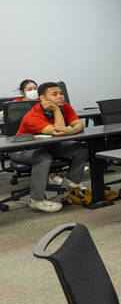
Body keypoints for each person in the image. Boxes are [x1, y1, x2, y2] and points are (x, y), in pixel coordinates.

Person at [13, 82, 88, 212]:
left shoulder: (66, 107)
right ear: (42, 98)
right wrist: (56, 110)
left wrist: (68, 130)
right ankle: (37, 200)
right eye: (55, 94)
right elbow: (58, 130)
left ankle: (70, 182)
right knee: (43, 158)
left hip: (47, 146)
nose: (60, 97)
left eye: (61, 93)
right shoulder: (32, 116)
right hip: (22, 149)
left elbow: (79, 125)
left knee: (80, 149)